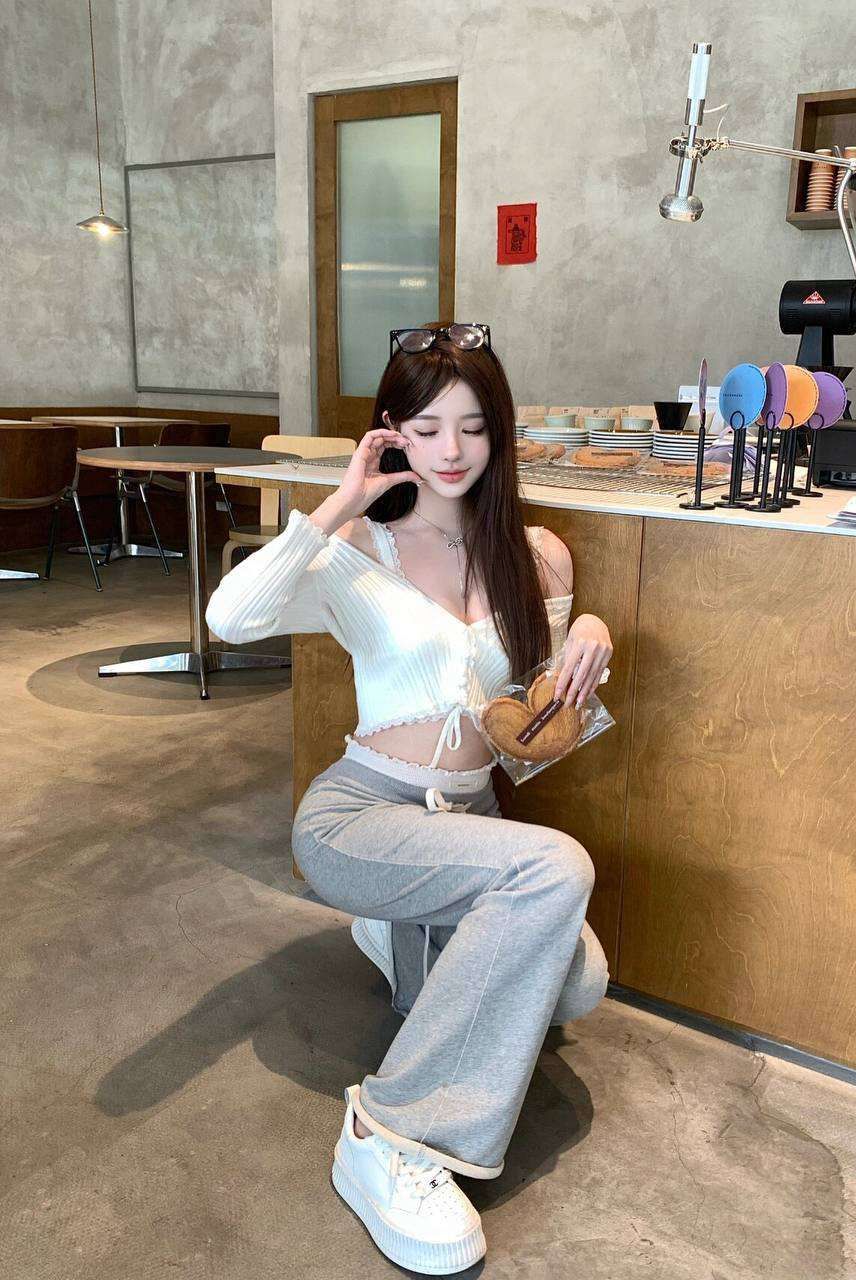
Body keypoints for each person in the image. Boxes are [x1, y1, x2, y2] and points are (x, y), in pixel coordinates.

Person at [205, 322, 614, 1274]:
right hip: (362, 813)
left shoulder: (536, 556)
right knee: (556, 870)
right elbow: (230, 619)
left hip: (470, 821)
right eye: (426, 429)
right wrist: (340, 501)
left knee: (579, 984)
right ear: (392, 432)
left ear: (497, 432)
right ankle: (389, 1135)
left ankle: (401, 935)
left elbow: (538, 693)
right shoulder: (361, 550)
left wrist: (589, 624)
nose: (451, 450)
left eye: (471, 427)